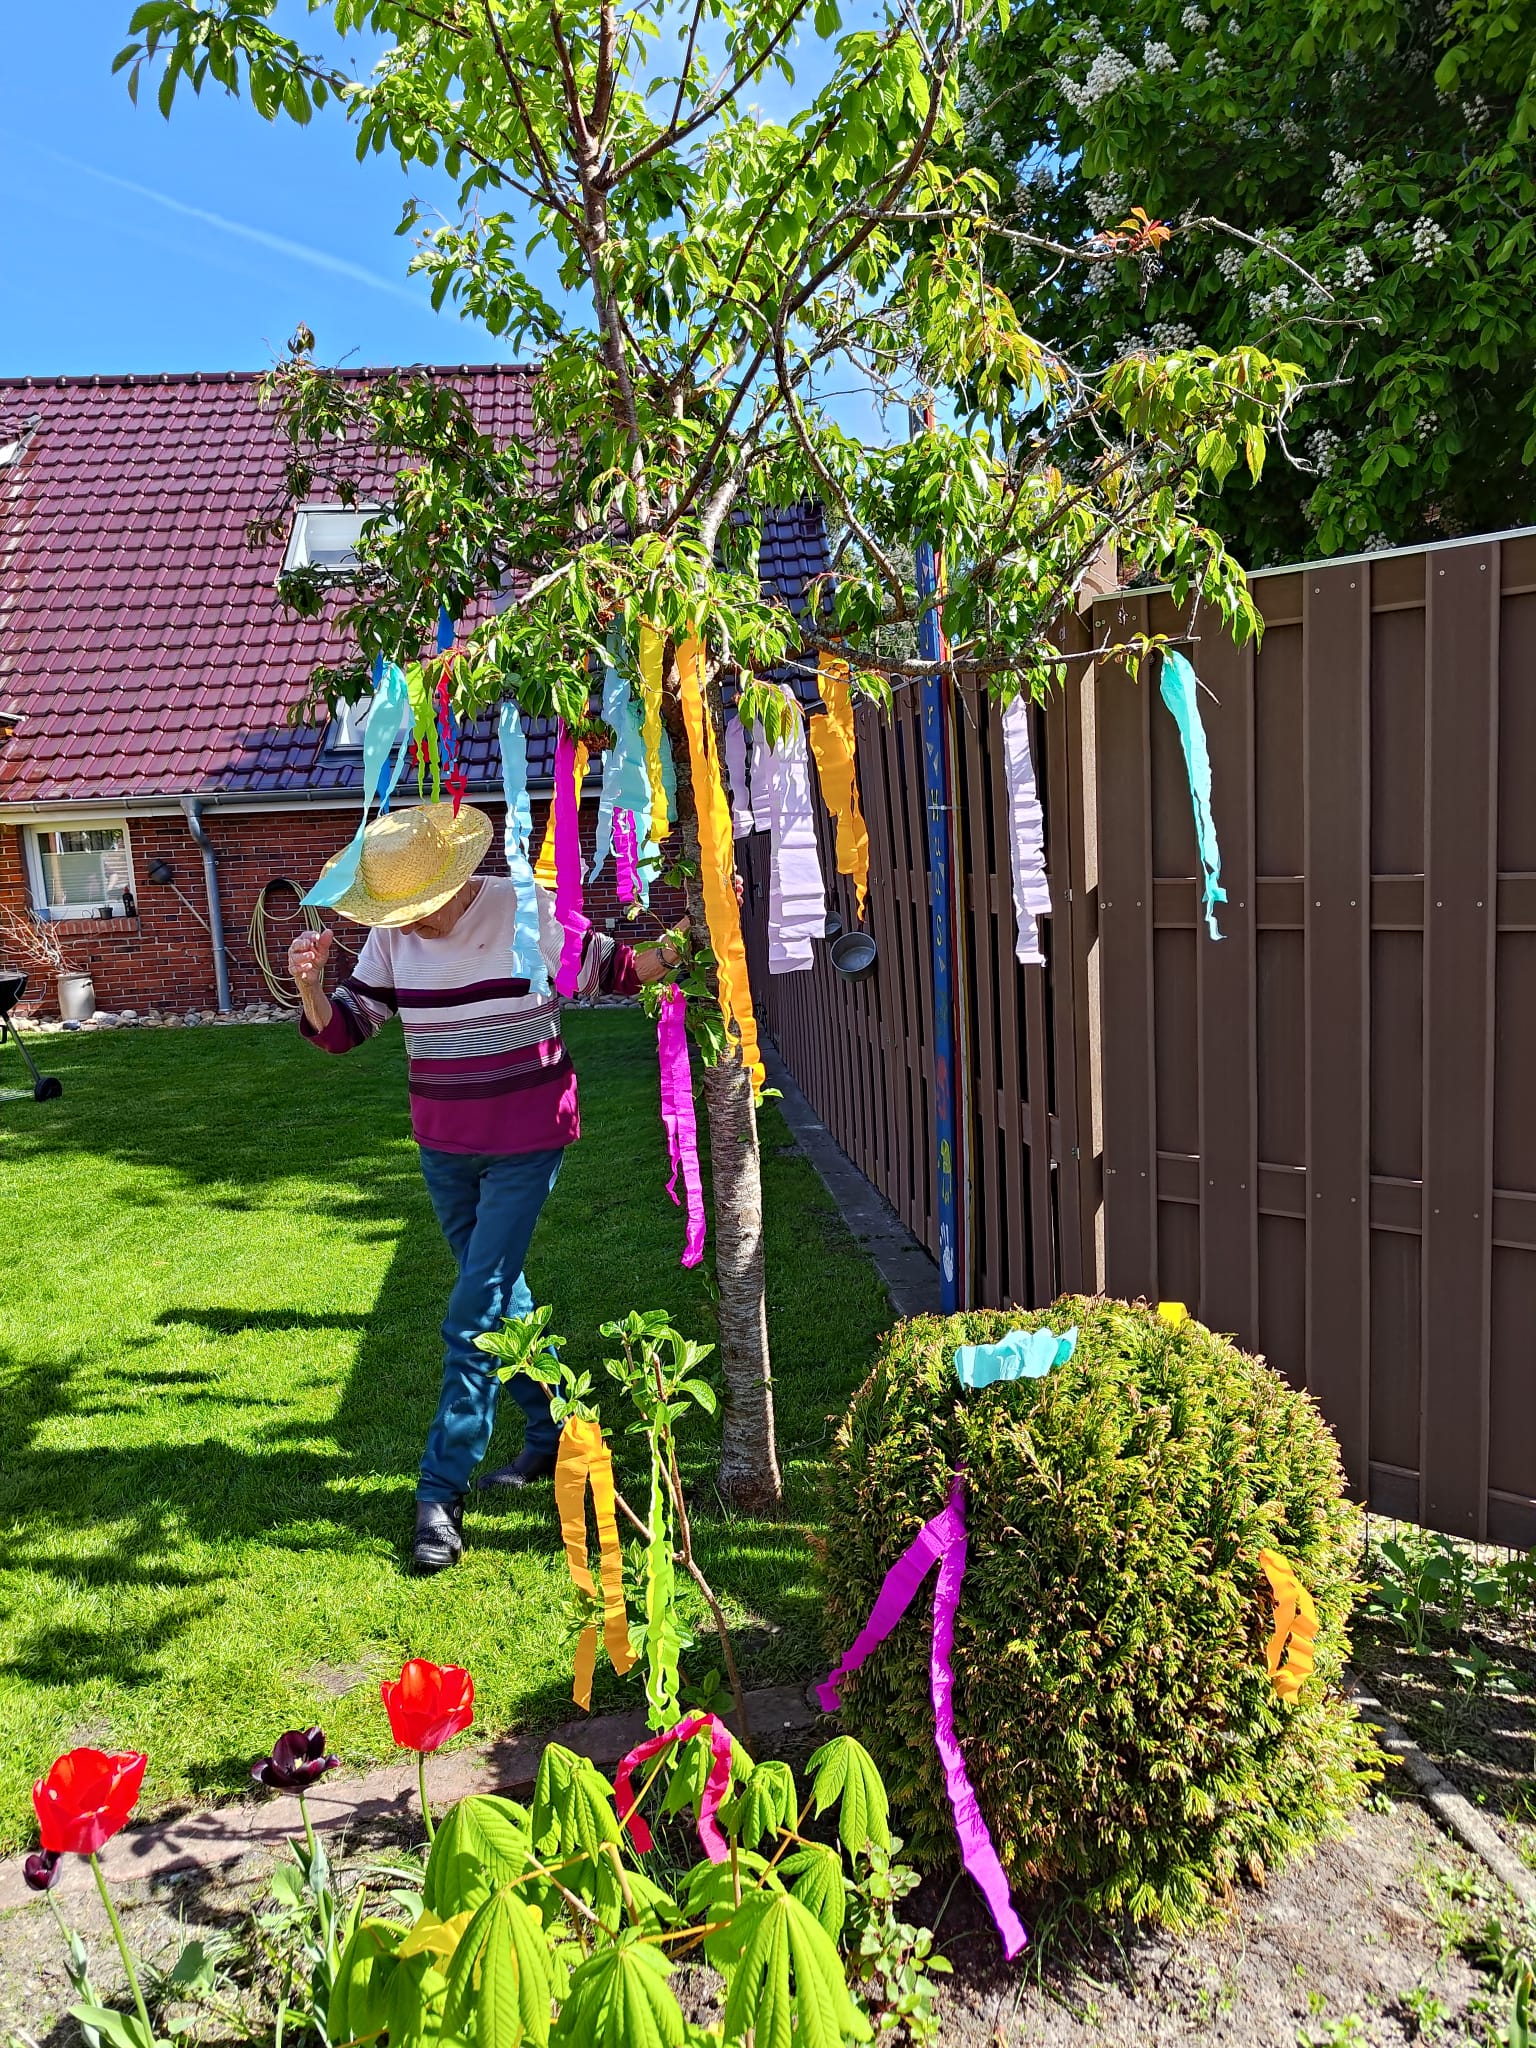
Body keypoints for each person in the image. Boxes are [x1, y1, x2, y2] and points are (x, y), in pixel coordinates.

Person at [289, 799, 685, 1574]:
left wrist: (693, 939)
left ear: (456, 881)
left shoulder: (525, 908)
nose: (410, 922)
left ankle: (440, 1490)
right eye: (397, 910)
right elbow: (346, 1030)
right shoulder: (393, 933)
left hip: (528, 1138)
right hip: (444, 1144)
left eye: (420, 907)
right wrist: (311, 987)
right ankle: (555, 1436)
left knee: (471, 1317)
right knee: (501, 1296)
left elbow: (618, 971)